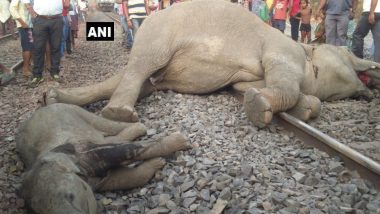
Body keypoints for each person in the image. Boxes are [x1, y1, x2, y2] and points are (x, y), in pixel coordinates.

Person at [23, 0, 70, 87]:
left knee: (56, 46)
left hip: (57, 19)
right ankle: (37, 76)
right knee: (38, 48)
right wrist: (31, 10)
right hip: (40, 19)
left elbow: (67, 4)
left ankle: (55, 72)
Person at [9, 0, 33, 77]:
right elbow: (12, 8)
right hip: (24, 25)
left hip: (32, 25)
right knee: (27, 47)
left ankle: (29, 66)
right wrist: (22, 22)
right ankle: (25, 69)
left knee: (31, 46)